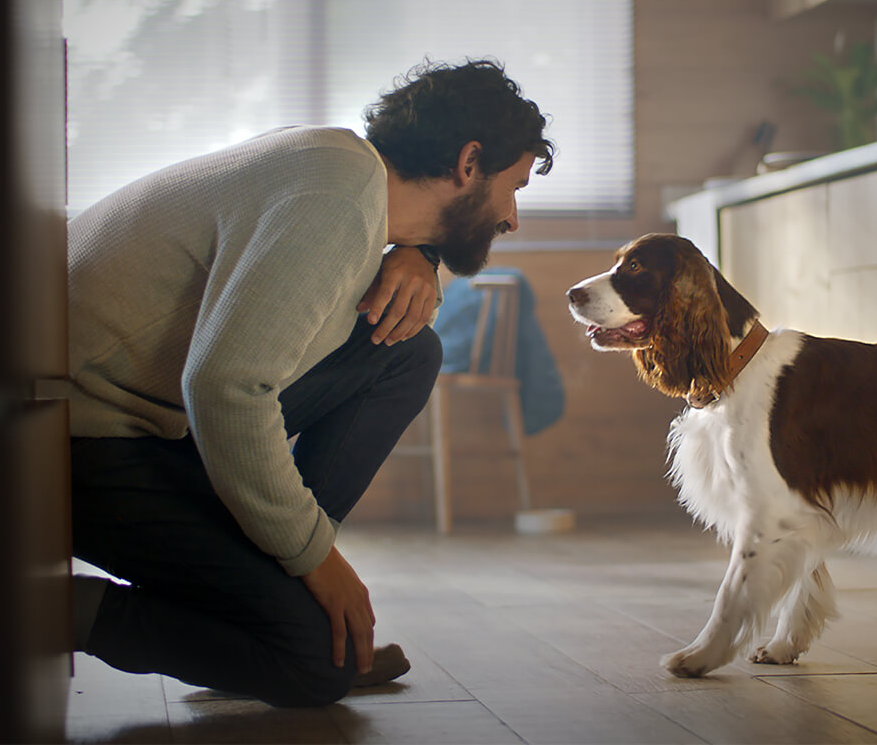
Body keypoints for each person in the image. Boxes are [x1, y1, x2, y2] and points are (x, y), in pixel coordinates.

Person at [66, 59, 554, 707]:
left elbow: (398, 303)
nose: (512, 217)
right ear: (468, 163)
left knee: (406, 353)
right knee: (313, 663)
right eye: (513, 186)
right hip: (68, 443)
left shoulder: (340, 171)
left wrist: (421, 252)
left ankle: (263, 598)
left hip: (141, 417)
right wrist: (317, 559)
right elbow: (226, 389)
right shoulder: (333, 204)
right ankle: (53, 612)